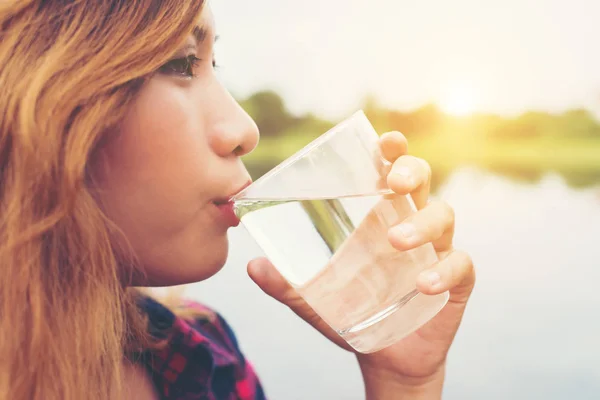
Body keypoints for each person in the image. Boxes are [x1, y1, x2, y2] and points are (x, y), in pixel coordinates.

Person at [0, 1, 476, 399]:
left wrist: (404, 382)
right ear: (38, 102)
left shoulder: (208, 361)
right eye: (181, 63)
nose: (245, 130)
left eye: (213, 65)